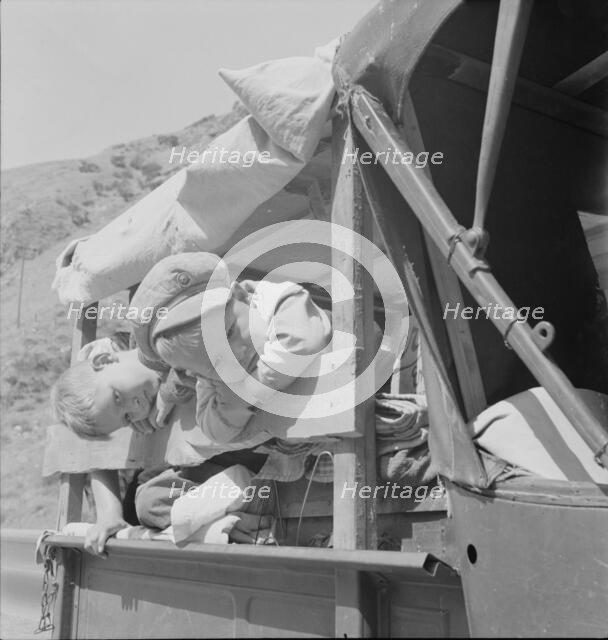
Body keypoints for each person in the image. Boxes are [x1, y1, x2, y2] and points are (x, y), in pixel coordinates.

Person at [129, 251, 333, 444]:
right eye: (216, 362)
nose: (236, 355)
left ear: (241, 294)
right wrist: (232, 402)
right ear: (196, 373)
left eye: (229, 333)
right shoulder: (209, 378)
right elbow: (213, 430)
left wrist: (249, 390)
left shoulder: (278, 298)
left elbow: (304, 343)